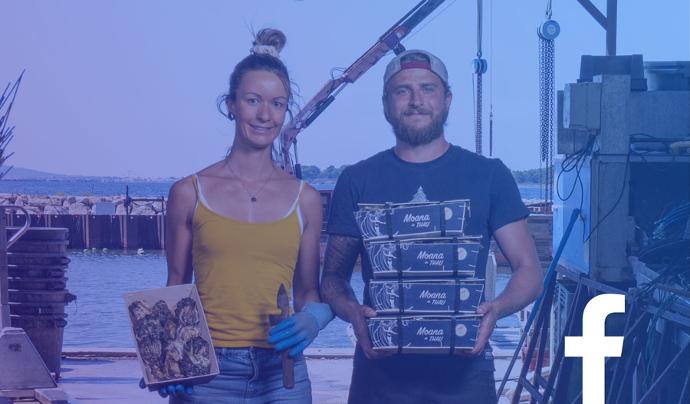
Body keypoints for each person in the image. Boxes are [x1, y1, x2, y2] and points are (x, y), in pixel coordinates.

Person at [320, 49, 543, 404]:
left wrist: (497, 309)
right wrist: (353, 315)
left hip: (465, 377)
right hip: (379, 377)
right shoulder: (356, 180)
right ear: (386, 104)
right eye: (402, 90)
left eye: (427, 88)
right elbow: (333, 278)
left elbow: (529, 269)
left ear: (447, 99)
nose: (416, 100)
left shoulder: (489, 175)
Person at [157, 28, 332, 403]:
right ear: (231, 105)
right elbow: (175, 284)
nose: (265, 115)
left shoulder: (306, 199)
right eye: (253, 101)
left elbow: (308, 292)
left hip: (283, 372)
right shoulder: (189, 192)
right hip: (208, 372)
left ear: (285, 111)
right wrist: (167, 359)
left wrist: (314, 319)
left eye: (277, 104)